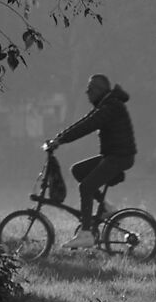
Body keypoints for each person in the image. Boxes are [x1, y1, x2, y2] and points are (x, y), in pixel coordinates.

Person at [47, 73, 135, 230]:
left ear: (98, 90)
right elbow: (84, 121)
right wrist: (60, 138)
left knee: (86, 187)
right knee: (78, 171)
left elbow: (88, 125)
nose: (86, 93)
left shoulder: (110, 107)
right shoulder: (105, 105)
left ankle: (85, 232)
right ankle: (106, 207)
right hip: (112, 156)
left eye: (89, 89)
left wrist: (60, 140)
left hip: (120, 157)